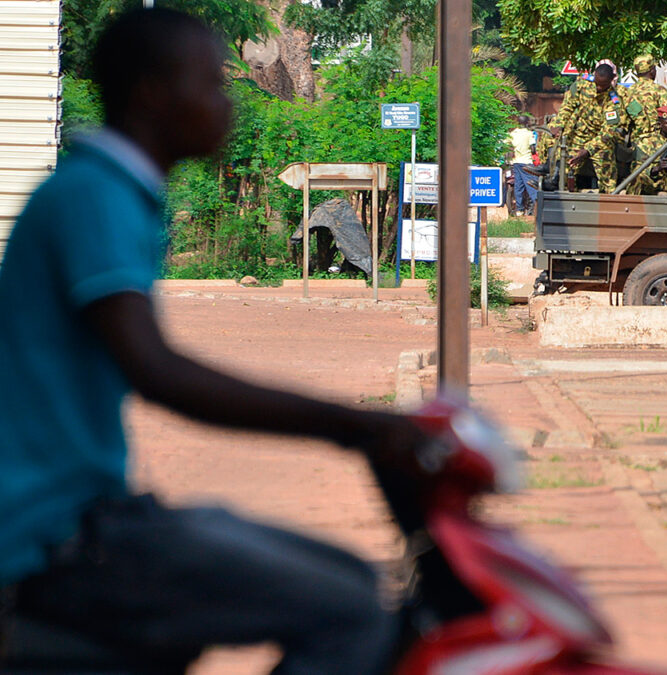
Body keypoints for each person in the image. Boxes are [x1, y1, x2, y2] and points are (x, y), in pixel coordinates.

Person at [0, 9, 429, 674]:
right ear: (150, 93)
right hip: (58, 534)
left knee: (354, 577)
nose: (226, 103)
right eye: (211, 84)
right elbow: (156, 369)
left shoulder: (110, 190)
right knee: (348, 608)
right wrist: (351, 424)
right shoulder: (94, 194)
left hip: (92, 513)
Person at [561, 63, 628, 193]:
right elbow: (567, 107)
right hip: (579, 136)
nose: (598, 88)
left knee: (607, 169)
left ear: (611, 80)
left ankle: (608, 198)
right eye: (597, 83)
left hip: (600, 141)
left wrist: (587, 150)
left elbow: (608, 132)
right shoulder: (582, 86)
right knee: (566, 165)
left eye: (602, 85)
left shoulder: (613, 101)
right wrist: (558, 125)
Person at [625, 55, 667, 192]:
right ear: (652, 71)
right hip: (660, 143)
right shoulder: (659, 91)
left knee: (638, 176)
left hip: (637, 145)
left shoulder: (628, 93)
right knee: (664, 175)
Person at [633, 106, 667, 195]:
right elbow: (637, 168)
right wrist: (655, 169)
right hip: (656, 182)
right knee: (636, 178)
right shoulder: (647, 142)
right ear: (660, 125)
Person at [506, 114, 536, 215]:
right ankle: (535, 207)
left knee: (518, 185)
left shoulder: (513, 133)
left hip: (516, 162)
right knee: (531, 184)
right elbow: (533, 149)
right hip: (527, 162)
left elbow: (506, 145)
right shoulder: (529, 134)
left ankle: (519, 210)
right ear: (527, 123)